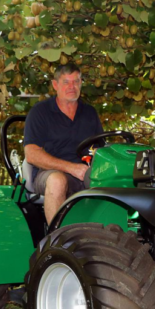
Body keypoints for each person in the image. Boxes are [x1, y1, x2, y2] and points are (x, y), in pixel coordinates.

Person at [24, 63, 103, 224]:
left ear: (81, 83)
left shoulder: (90, 113)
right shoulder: (40, 112)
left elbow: (101, 148)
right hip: (49, 174)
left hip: (85, 173)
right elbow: (31, 154)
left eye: (76, 81)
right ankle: (58, 242)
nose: (71, 86)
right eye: (66, 82)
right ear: (55, 85)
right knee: (57, 180)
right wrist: (71, 168)